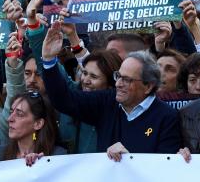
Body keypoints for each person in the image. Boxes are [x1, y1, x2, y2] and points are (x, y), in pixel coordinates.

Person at [41, 22, 181, 159]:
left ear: (148, 86)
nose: (118, 84)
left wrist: (130, 160)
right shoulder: (107, 102)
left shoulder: (167, 118)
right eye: (118, 76)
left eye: (127, 79)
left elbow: (163, 170)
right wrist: (49, 61)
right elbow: (64, 100)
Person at [0, 92, 66, 165]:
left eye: (19, 114)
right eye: (11, 112)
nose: (10, 119)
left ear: (38, 124)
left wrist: (42, 164)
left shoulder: (57, 156)